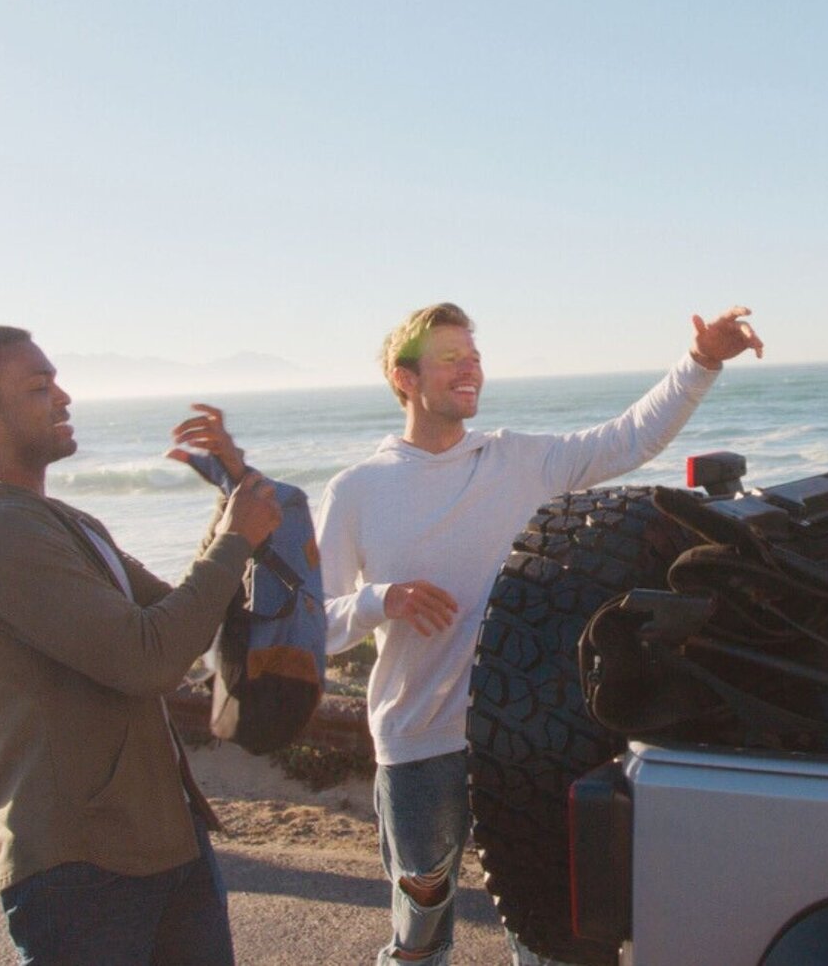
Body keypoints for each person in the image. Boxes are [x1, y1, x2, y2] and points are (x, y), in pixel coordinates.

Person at [317, 302, 763, 965]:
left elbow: (626, 440)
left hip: (521, 732)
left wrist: (699, 364)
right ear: (403, 376)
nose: (469, 369)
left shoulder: (516, 459)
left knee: (544, 921)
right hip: (418, 738)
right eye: (450, 358)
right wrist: (384, 599)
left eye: (473, 356)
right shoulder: (357, 489)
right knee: (423, 903)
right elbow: (316, 624)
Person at [0, 325, 282, 966]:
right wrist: (234, 540)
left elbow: (179, 616)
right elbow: (149, 660)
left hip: (161, 838)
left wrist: (230, 497)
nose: (64, 397)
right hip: (81, 863)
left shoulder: (60, 521)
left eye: (55, 380)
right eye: (38, 386)